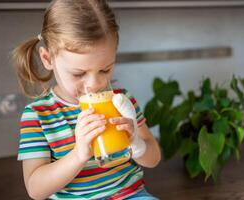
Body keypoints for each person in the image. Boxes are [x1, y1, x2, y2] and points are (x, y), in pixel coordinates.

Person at [12, 0, 161, 199]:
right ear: (48, 59)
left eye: (105, 69)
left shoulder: (121, 101)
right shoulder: (38, 116)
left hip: (129, 195)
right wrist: (78, 155)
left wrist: (135, 142)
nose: (95, 84)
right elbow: (36, 189)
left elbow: (154, 159)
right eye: (78, 73)